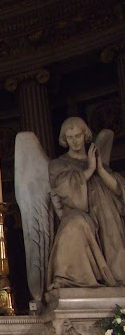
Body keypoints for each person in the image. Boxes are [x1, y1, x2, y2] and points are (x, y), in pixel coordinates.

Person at [47, 116, 125, 290]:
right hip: (79, 212)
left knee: (111, 221)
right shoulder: (57, 164)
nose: (75, 141)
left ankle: (117, 276)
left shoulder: (97, 160)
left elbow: (119, 189)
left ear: (85, 135)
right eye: (70, 138)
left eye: (78, 136)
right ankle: (69, 279)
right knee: (73, 226)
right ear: (65, 140)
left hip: (105, 213)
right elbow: (65, 190)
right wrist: (88, 170)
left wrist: (100, 169)